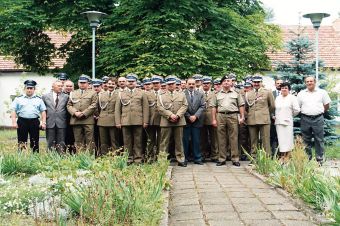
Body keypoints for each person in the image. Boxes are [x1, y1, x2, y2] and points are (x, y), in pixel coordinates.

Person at [211, 75, 245, 166]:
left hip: (233, 115)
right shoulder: (217, 94)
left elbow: (241, 105)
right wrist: (214, 119)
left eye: (228, 81)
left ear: (231, 83)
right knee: (221, 138)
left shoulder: (236, 93)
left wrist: (242, 117)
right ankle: (222, 158)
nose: (226, 82)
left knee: (234, 137)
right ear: (221, 83)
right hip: (221, 116)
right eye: (224, 81)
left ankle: (235, 159)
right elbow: (214, 107)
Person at [115, 73, 149, 164]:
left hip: (138, 120)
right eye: (129, 81)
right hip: (125, 121)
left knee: (138, 141)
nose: (130, 83)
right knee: (127, 142)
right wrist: (118, 122)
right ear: (126, 82)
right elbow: (117, 109)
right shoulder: (121, 94)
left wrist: (145, 121)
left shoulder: (141, 93)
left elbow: (145, 108)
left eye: (132, 81)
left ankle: (138, 159)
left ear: (136, 82)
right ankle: (128, 159)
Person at [297, 76, 331, 163]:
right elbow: (298, 106)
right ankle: (307, 158)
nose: (309, 83)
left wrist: (320, 112)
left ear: (315, 82)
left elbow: (326, 105)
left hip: (318, 118)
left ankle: (319, 158)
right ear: (305, 83)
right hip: (305, 119)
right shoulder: (301, 94)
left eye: (311, 81)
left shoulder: (322, 92)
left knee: (319, 139)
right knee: (306, 139)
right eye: (307, 81)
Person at [157, 75, 188, 167]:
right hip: (166, 121)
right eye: (169, 84)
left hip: (179, 121)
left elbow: (185, 105)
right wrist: (170, 115)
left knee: (179, 141)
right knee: (164, 142)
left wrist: (177, 115)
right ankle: (162, 160)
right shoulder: (161, 96)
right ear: (166, 85)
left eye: (172, 84)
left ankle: (181, 159)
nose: (170, 86)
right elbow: (159, 108)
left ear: (175, 85)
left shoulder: (181, 94)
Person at [11, 80, 46, 152]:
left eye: (31, 88)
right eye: (28, 88)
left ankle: (35, 156)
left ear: (34, 89)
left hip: (34, 121)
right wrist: (14, 122)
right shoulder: (18, 99)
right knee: (21, 140)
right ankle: (21, 157)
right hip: (22, 121)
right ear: (25, 89)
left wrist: (43, 122)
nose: (29, 90)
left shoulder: (39, 99)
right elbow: (13, 110)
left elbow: (43, 111)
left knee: (35, 140)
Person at [245, 76, 275, 157]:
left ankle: (267, 158)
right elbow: (246, 107)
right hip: (252, 119)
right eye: (255, 82)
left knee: (265, 140)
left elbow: (272, 106)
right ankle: (253, 157)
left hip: (264, 119)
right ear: (252, 83)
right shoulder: (248, 93)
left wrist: (265, 113)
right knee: (253, 140)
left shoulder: (268, 92)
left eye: (258, 82)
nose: (256, 84)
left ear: (261, 82)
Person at [67, 75, 98, 151]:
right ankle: (80, 157)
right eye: (81, 83)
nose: (82, 84)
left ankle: (90, 157)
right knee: (78, 140)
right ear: (78, 83)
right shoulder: (73, 93)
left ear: (88, 84)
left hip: (88, 120)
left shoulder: (93, 93)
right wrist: (75, 112)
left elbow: (94, 105)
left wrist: (84, 113)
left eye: (84, 83)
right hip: (76, 120)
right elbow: (69, 105)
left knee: (90, 140)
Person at [274, 82, 300, 162]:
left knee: (288, 141)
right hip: (278, 122)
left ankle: (287, 158)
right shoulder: (278, 98)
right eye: (282, 88)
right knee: (281, 141)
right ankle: (282, 157)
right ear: (280, 89)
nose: (284, 89)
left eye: (285, 88)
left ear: (289, 89)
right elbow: (275, 109)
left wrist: (289, 116)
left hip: (287, 122)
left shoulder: (292, 98)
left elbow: (297, 110)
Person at [183, 78, 205, 164]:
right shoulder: (182, 94)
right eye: (189, 84)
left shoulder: (200, 94)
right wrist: (189, 116)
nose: (191, 85)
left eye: (193, 84)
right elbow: (181, 106)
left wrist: (195, 116)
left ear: (195, 84)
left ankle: (197, 158)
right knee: (185, 140)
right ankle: (184, 158)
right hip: (185, 120)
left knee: (196, 140)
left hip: (197, 120)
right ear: (186, 84)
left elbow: (202, 106)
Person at [42, 80, 69, 153]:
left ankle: (61, 157)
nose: (60, 87)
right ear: (53, 87)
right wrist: (43, 121)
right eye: (58, 86)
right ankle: (50, 157)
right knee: (50, 141)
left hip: (62, 122)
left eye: (61, 86)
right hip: (50, 122)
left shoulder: (66, 97)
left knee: (61, 141)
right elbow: (43, 110)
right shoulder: (45, 96)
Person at [97, 78, 120, 155]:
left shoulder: (119, 94)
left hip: (113, 121)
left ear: (116, 85)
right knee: (103, 141)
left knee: (114, 140)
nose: (110, 85)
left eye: (113, 84)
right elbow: (98, 108)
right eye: (109, 84)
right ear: (106, 84)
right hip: (102, 120)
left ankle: (115, 157)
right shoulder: (101, 95)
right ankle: (104, 156)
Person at [200, 76, 218, 162]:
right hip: (201, 118)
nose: (206, 85)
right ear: (201, 84)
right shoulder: (198, 93)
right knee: (202, 138)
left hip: (212, 118)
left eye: (207, 83)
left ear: (210, 84)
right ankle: (203, 155)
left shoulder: (215, 93)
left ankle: (215, 155)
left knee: (214, 138)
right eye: (204, 83)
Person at [270, 78, 283, 155]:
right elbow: (268, 106)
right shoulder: (271, 93)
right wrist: (272, 115)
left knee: (282, 137)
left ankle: (282, 154)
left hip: (283, 119)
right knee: (273, 137)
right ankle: (273, 154)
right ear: (275, 85)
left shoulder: (287, 93)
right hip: (273, 119)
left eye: (280, 83)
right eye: (277, 83)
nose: (279, 84)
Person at [63, 80, 76, 153]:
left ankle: (73, 153)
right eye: (67, 86)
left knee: (73, 138)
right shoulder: (60, 95)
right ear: (64, 87)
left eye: (70, 86)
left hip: (74, 119)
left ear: (73, 87)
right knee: (64, 138)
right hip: (63, 120)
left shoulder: (76, 95)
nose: (69, 88)